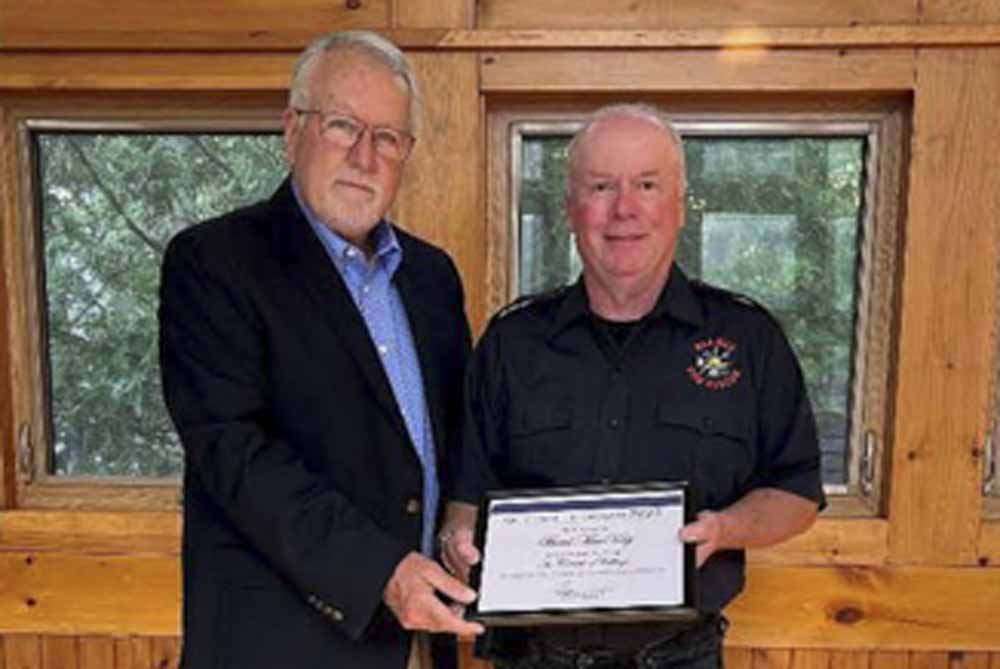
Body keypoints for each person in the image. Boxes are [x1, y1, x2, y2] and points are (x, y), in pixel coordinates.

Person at [440, 103, 825, 669]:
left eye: (646, 184)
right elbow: (466, 497)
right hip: (532, 657)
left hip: (680, 657)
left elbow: (796, 492)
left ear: (679, 205)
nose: (624, 209)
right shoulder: (511, 342)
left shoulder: (748, 339)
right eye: (601, 186)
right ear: (572, 208)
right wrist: (459, 538)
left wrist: (725, 529)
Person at [159, 31, 483, 669]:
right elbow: (236, 454)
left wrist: (462, 515)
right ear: (292, 130)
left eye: (388, 138)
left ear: (406, 154)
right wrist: (383, 571)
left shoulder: (431, 276)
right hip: (281, 644)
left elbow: (456, 434)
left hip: (418, 640)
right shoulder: (215, 262)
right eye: (343, 127)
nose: (365, 156)